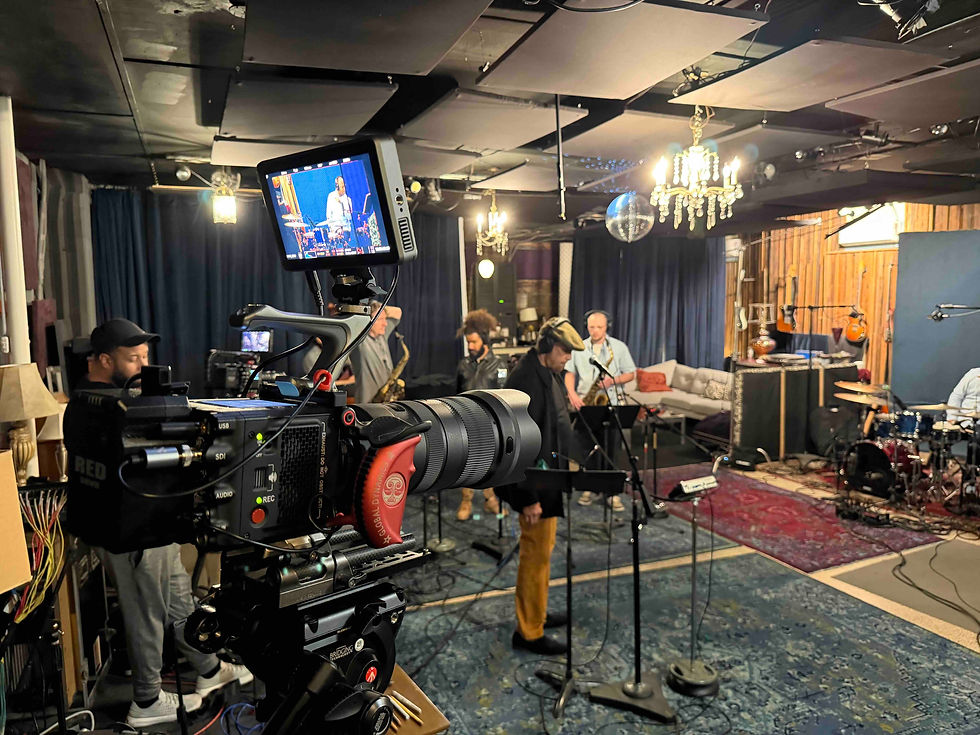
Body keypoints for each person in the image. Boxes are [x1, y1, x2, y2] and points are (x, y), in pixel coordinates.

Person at [69, 319, 252, 727]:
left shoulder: (85, 401)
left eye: (146, 357)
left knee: (177, 598)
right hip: (136, 531)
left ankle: (207, 669)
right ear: (102, 360)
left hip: (145, 526)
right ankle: (147, 700)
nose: (143, 366)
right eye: (133, 359)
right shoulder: (109, 408)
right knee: (147, 612)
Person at [496, 317, 585, 655]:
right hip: (532, 486)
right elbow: (516, 443)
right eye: (565, 350)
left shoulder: (545, 373)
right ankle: (529, 631)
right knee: (535, 557)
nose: (568, 358)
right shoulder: (526, 379)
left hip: (546, 480)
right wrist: (527, 498)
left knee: (542, 555)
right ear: (548, 346)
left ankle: (538, 613)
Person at [564, 310, 636, 510]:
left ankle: (612, 493)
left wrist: (612, 382)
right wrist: (572, 395)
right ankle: (589, 487)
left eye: (599, 327)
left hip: (611, 402)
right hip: (586, 404)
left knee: (611, 448)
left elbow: (631, 374)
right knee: (587, 448)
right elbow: (569, 373)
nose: (595, 331)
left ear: (607, 327)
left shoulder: (619, 348)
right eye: (591, 327)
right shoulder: (578, 347)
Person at [455, 309, 507, 520]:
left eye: (474, 342)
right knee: (466, 463)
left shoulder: (500, 365)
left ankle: (490, 500)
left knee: (491, 464)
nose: (470, 346)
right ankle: (466, 501)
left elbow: (505, 397)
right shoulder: (463, 365)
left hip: (490, 423)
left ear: (485, 341)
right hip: (466, 421)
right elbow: (456, 393)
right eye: (468, 342)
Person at [349, 301, 402, 403]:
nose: (385, 323)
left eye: (385, 319)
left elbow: (398, 312)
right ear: (368, 321)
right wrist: (369, 308)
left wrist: (378, 307)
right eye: (381, 319)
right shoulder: (359, 338)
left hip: (386, 400)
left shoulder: (383, 334)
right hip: (367, 403)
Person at [325, 175, 354, 242]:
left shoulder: (347, 199)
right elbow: (328, 216)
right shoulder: (331, 196)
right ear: (337, 187)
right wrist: (335, 229)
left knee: (344, 237)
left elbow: (349, 218)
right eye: (342, 186)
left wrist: (343, 205)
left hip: (345, 229)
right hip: (335, 229)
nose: (344, 189)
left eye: (344, 186)